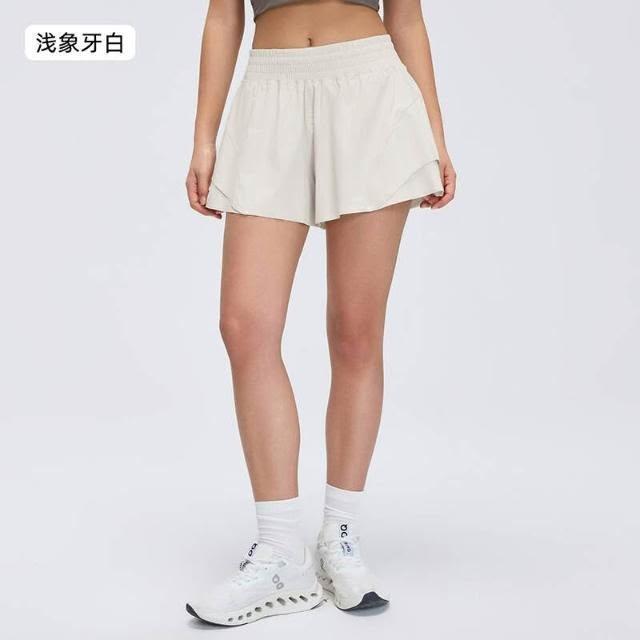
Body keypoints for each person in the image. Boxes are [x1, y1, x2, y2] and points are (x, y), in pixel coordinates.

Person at [185, 0, 456, 626]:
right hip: (268, 93)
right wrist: (204, 137)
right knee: (244, 326)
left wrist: (435, 138)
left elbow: (406, 17)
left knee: (356, 333)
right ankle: (281, 549)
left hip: (371, 94)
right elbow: (223, 16)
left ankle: (341, 535)